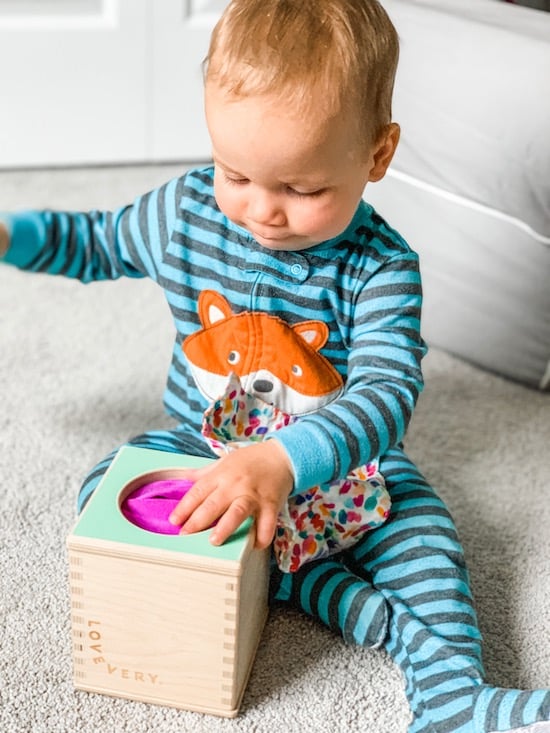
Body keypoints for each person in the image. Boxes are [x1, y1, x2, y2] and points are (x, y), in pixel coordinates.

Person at [1, 1, 549, 731]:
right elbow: (96, 241)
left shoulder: (381, 267)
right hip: (206, 445)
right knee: (109, 484)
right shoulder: (186, 211)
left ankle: (452, 697)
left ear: (377, 156)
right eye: (237, 173)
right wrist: (13, 233)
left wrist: (288, 460)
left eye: (303, 188)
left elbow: (387, 393)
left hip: (348, 467)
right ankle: (318, 584)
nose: (262, 210)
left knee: (427, 540)